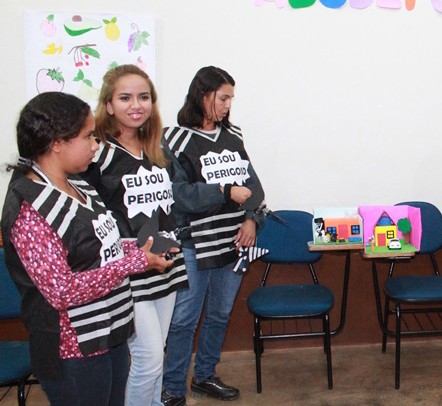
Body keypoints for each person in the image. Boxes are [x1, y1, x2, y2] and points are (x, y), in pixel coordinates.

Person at [1, 92, 173, 405]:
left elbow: (99, 246)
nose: (95, 145)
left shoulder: (79, 184)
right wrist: (136, 262)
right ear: (57, 143)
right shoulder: (30, 208)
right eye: (88, 137)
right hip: (75, 350)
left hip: (109, 331)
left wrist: (140, 248)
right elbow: (62, 290)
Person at [82, 65, 189, 406]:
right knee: (147, 358)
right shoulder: (97, 152)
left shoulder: (156, 149)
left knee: (157, 352)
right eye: (125, 98)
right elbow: (90, 216)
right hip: (129, 269)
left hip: (165, 260)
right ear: (109, 105)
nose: (136, 105)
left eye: (143, 97)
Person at [161, 66, 266, 405]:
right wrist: (223, 191)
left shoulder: (233, 136)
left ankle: (205, 376)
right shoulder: (173, 140)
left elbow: (254, 187)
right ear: (202, 95)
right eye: (222, 98)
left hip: (233, 242)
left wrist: (251, 220)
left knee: (219, 315)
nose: (227, 105)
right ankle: (172, 388)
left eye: (231, 99)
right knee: (184, 321)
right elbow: (178, 194)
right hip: (194, 244)